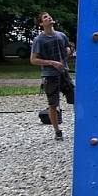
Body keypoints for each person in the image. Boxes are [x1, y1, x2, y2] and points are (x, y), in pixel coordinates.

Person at [30, 12, 75, 141]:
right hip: (50, 76)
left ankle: (82, 126)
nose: (49, 18)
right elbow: (33, 60)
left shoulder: (61, 35)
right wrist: (52, 63)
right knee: (53, 104)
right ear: (41, 24)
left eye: (49, 16)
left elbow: (66, 52)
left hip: (64, 73)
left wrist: (69, 51)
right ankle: (57, 131)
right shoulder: (39, 40)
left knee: (76, 99)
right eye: (45, 17)